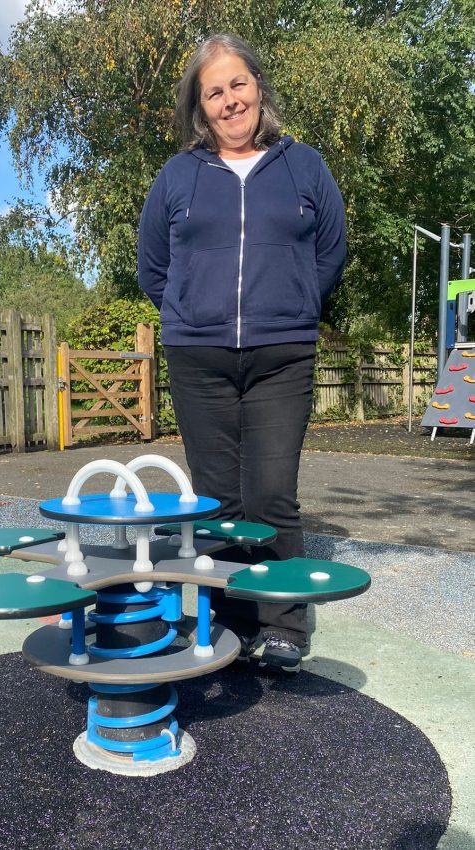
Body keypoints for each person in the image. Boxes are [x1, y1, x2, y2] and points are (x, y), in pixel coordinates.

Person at [137, 33, 346, 672]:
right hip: (199, 357)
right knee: (219, 499)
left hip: (282, 354)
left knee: (272, 493)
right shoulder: (178, 176)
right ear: (200, 109)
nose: (230, 101)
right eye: (214, 92)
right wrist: (191, 310)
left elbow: (330, 252)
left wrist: (295, 301)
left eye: (238, 85)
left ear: (258, 88)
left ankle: (284, 621)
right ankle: (226, 616)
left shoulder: (303, 165)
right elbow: (153, 266)